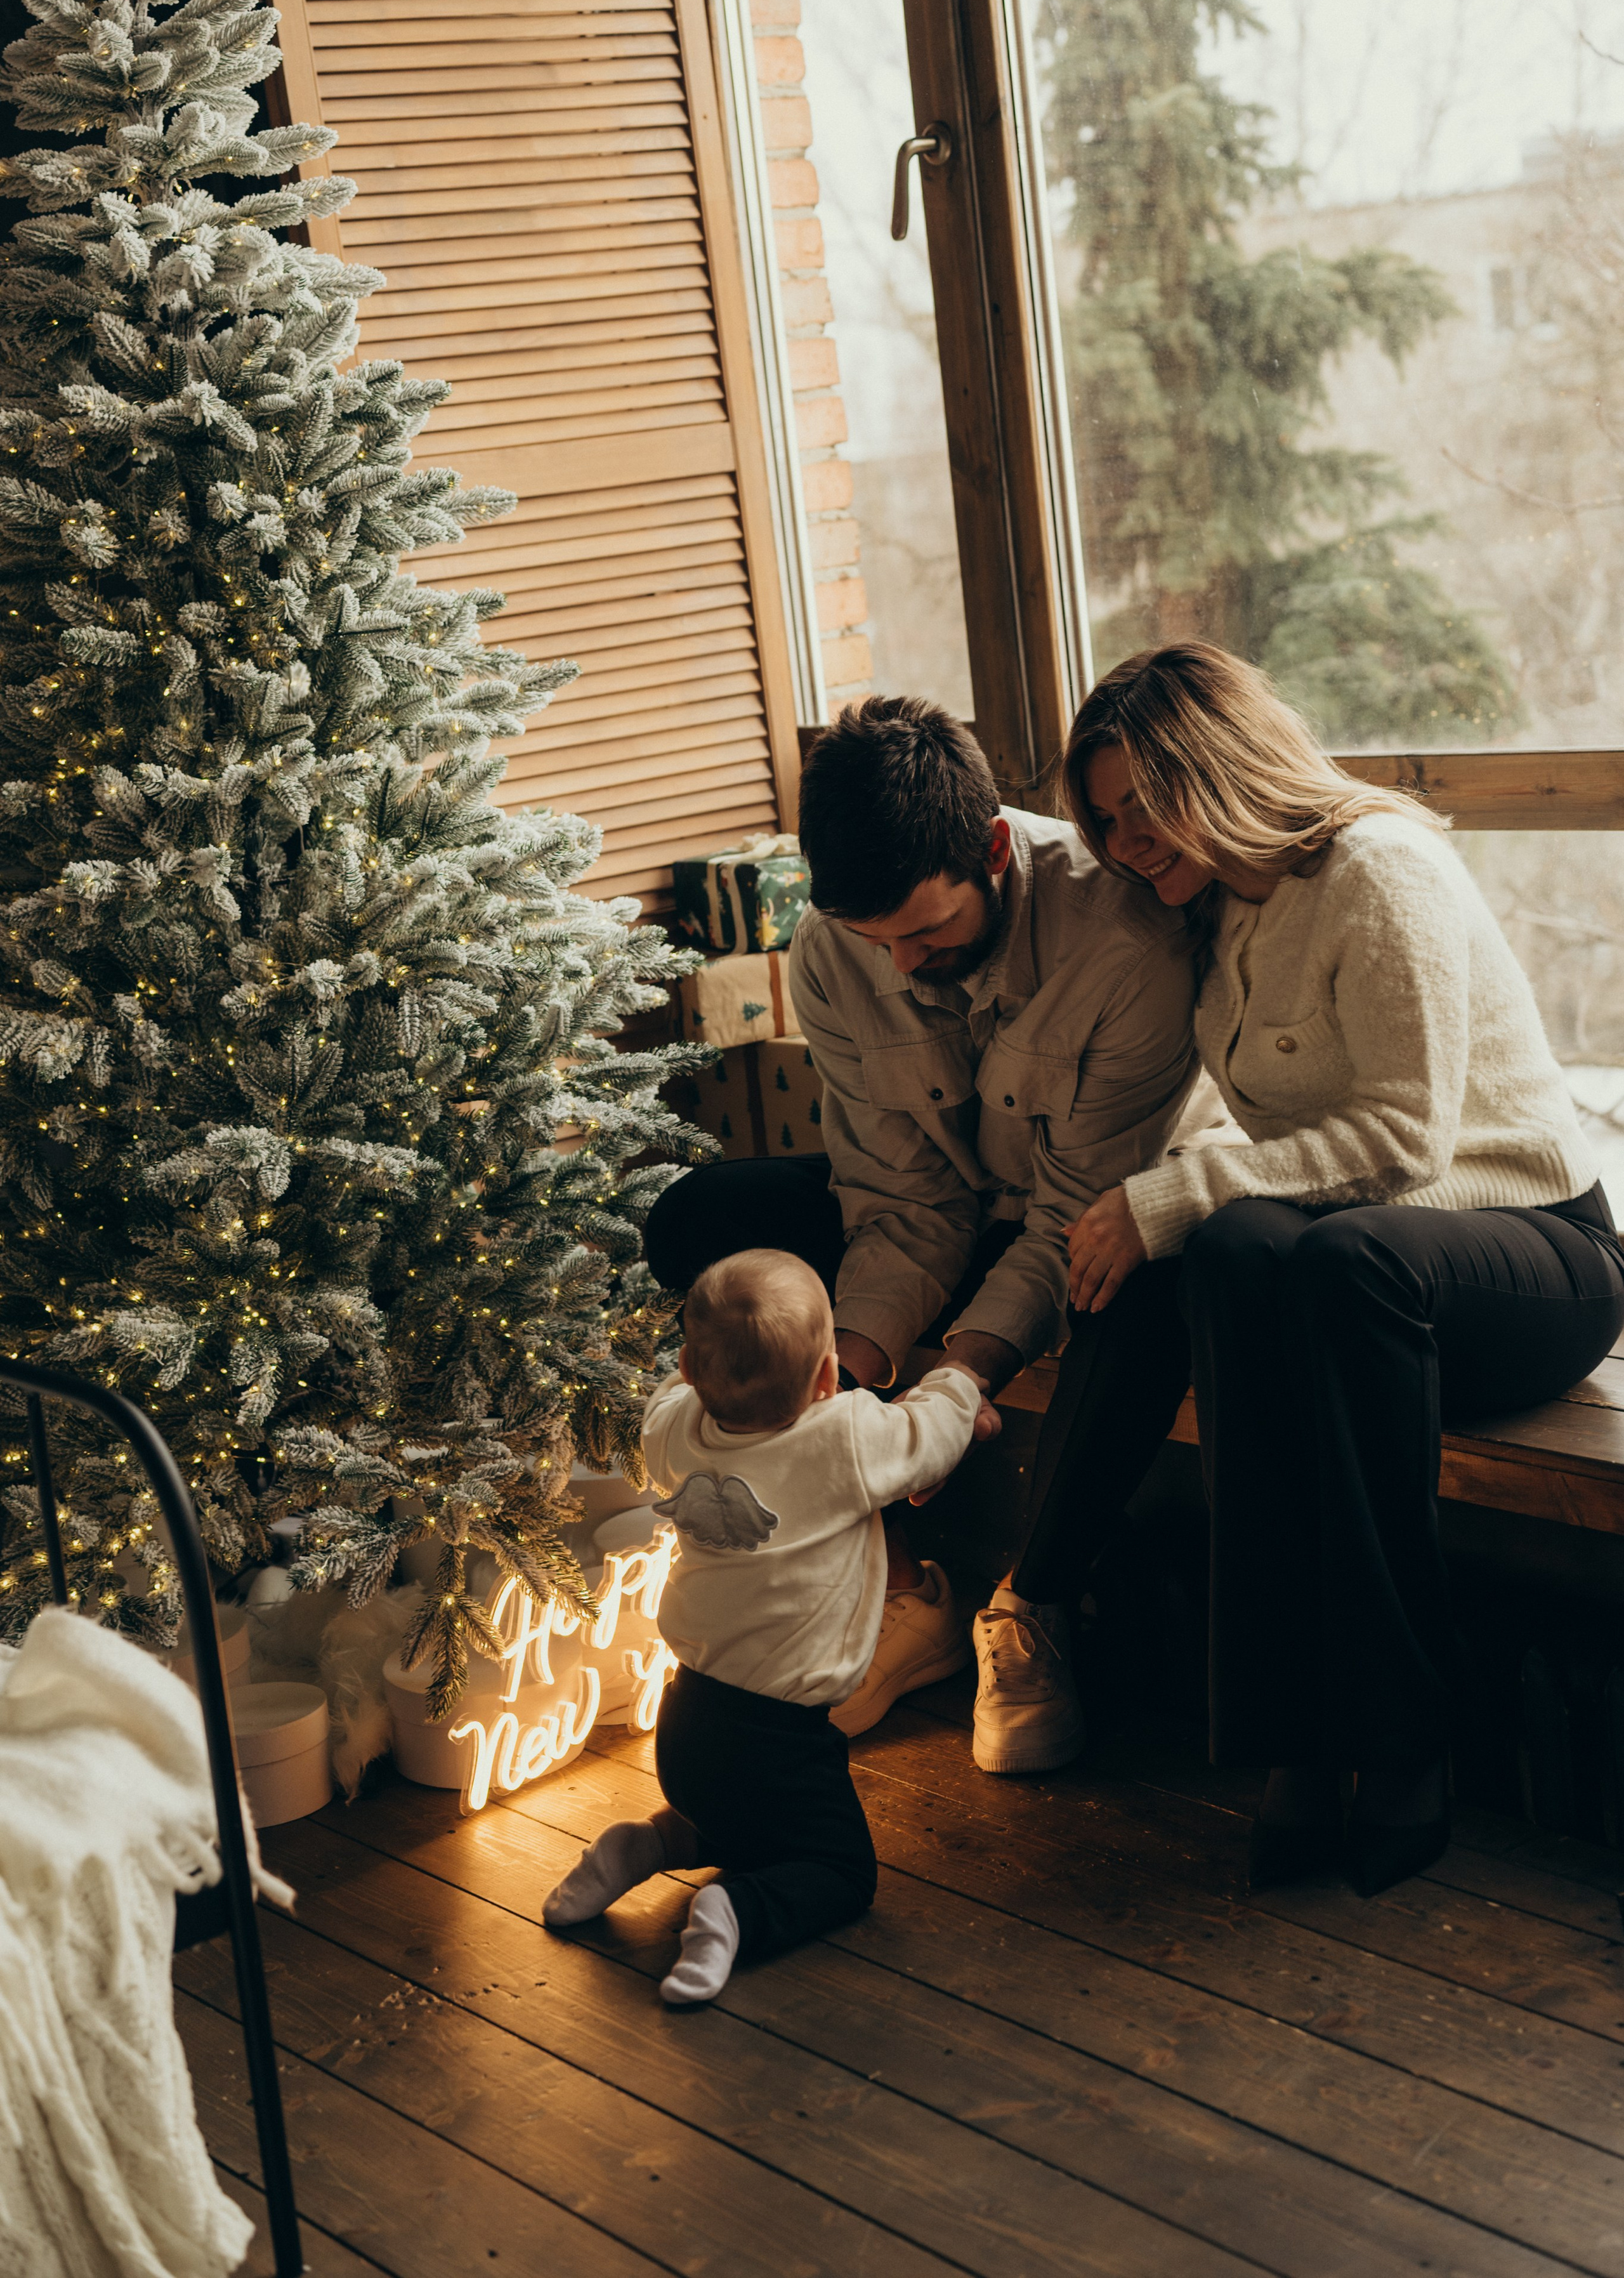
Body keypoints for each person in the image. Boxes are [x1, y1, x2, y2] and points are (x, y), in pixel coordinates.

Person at [1026, 640, 1624, 1896]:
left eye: (1144, 804)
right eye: (1105, 820)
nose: (1127, 841)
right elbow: (1269, 1162)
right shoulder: (1213, 913)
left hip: (1530, 1250)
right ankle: (1288, 1737)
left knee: (1316, 1249)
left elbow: (1405, 1140)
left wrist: (1169, 1193)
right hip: (1365, 1274)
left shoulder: (1377, 868)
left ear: (1218, 764)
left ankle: (1405, 1738)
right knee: (1241, 1246)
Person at [644, 697, 1208, 1774]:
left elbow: (1065, 1217)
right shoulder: (832, 948)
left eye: (927, 932)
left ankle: (1027, 1608)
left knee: (1144, 1285)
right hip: (936, 1210)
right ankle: (885, 1585)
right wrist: (845, 1378)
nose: (899, 966)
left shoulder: (1129, 949)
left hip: (1084, 1220)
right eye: (875, 940)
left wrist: (962, 1376)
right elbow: (900, 1198)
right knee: (704, 1220)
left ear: (993, 848)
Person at [540, 1248, 980, 2003]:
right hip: (783, 1738)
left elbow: (666, 1404)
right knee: (840, 1870)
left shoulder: (675, 1430)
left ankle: (648, 1845)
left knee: (750, 1827)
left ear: (687, 1367)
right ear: (826, 1378)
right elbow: (932, 1432)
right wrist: (958, 1382)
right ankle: (735, 1909)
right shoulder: (842, 1438)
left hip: (685, 1724)